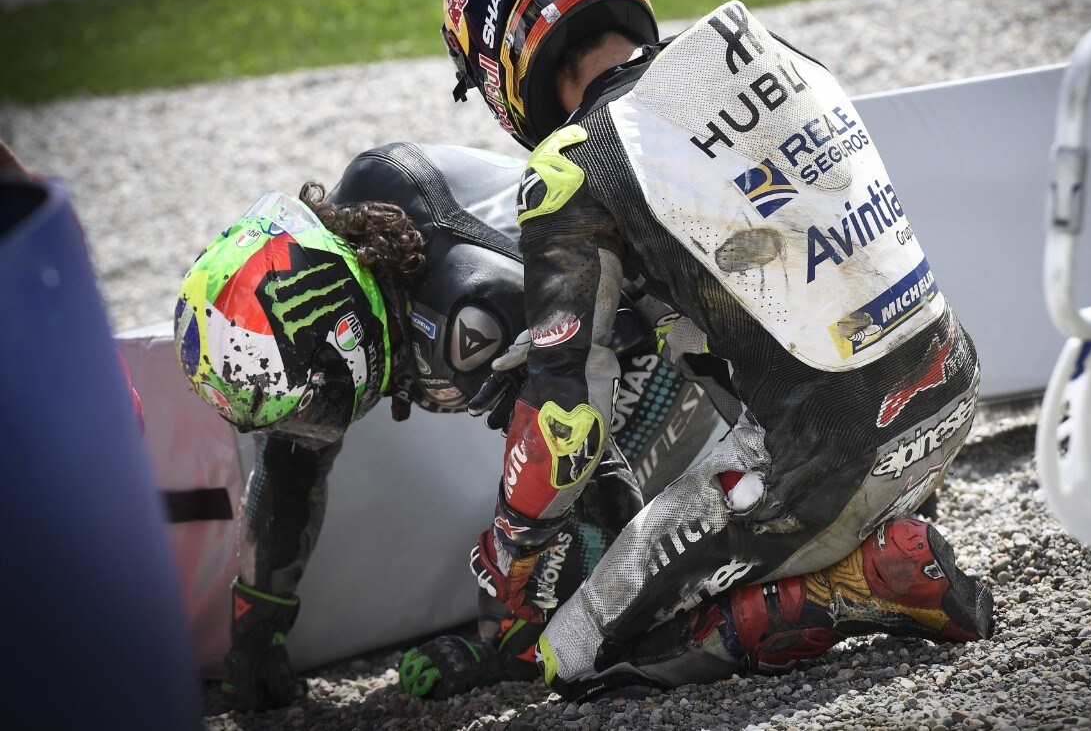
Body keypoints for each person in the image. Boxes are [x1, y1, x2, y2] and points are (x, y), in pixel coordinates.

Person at [435, 0, 995, 699]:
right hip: (953, 390)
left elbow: (566, 425)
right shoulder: (770, 53)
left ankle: (850, 585)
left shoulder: (570, 163)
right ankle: (867, 533)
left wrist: (510, 556)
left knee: (570, 656)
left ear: (502, 58)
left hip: (826, 458)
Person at [173, 141, 725, 710]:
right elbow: (287, 470)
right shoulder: (354, 259)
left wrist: (508, 645)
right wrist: (256, 623)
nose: (307, 428)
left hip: (657, 345)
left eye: (308, 410)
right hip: (578, 357)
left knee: (551, 609)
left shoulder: (468, 307)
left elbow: (577, 462)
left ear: (343, 335)